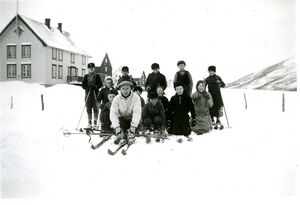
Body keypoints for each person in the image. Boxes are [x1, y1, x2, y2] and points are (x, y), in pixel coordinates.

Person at [110, 80, 141, 144]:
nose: (125, 91)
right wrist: (117, 127)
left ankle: (131, 134)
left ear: (131, 88)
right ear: (120, 89)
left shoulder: (136, 98)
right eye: (123, 89)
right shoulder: (116, 99)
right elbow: (113, 113)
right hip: (122, 119)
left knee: (137, 127)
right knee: (119, 129)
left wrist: (133, 127)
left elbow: (137, 112)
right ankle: (121, 134)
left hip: (132, 119)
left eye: (127, 88)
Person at [82, 62, 103, 129]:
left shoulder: (97, 76)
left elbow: (100, 84)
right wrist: (88, 87)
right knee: (88, 108)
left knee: (96, 107)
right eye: (90, 68)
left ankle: (95, 122)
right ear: (88, 69)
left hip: (95, 94)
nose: (91, 69)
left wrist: (95, 87)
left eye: (92, 68)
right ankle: (89, 122)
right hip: (88, 94)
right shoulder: (86, 76)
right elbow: (83, 85)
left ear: (94, 68)